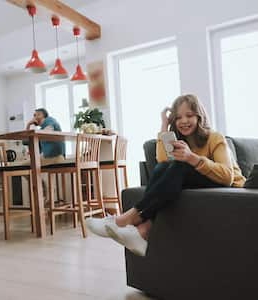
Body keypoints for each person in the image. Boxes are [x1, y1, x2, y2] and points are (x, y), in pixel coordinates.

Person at [86, 94, 246, 256]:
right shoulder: (180, 140)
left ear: (199, 116)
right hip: (199, 182)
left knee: (181, 164)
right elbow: (162, 161)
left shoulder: (215, 138)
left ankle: (124, 220)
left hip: (229, 185)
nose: (184, 121)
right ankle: (142, 232)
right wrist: (164, 125)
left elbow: (227, 176)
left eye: (189, 116)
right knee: (165, 168)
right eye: (178, 117)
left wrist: (192, 158)